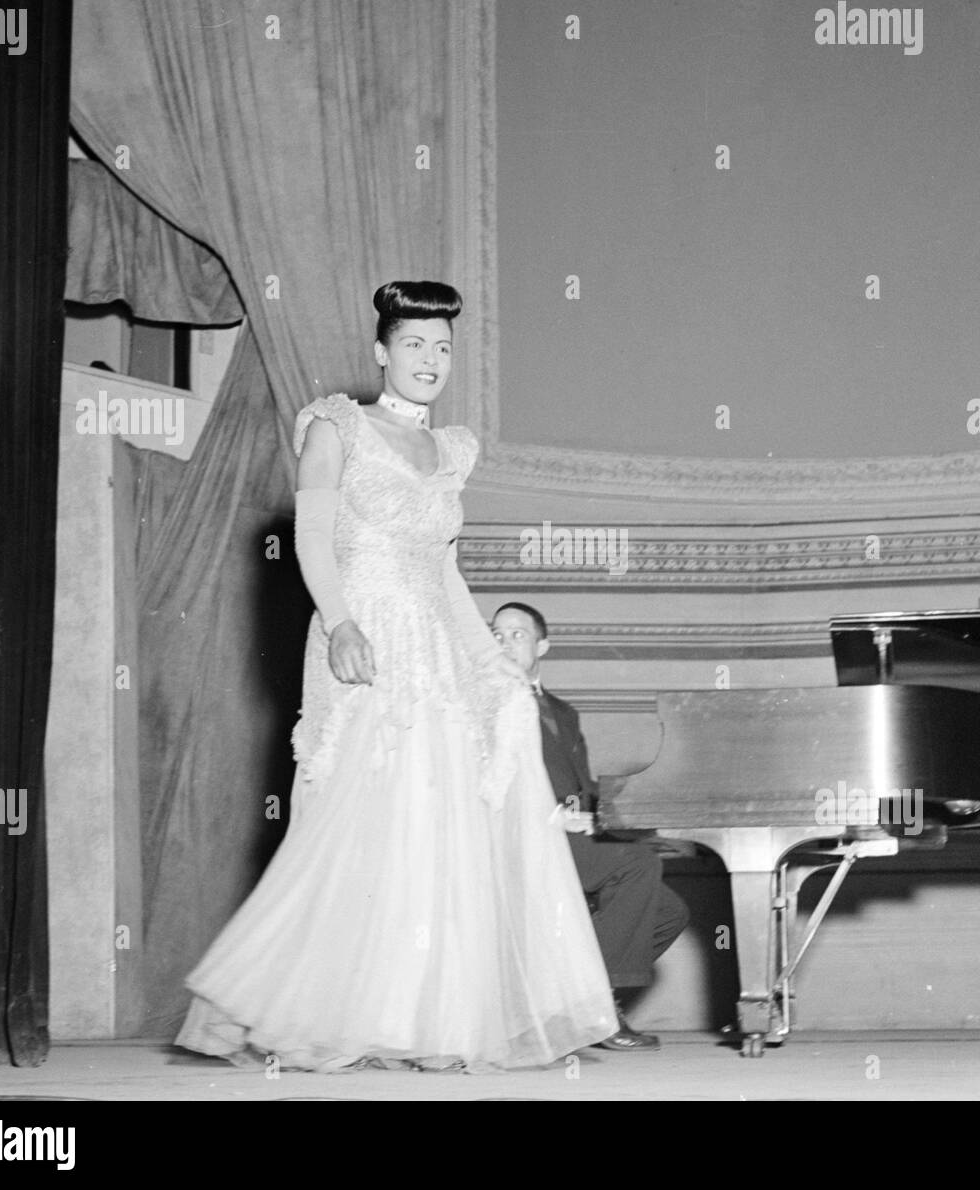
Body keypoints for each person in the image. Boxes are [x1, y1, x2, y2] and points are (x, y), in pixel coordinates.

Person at [175, 281, 616, 1072]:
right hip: (364, 640)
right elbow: (312, 543)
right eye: (414, 344)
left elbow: (444, 573)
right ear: (382, 352)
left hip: (435, 653)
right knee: (352, 824)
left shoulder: (452, 451)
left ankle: (415, 1021)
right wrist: (342, 623)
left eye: (443, 348)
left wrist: (488, 662)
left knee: (431, 834)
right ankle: (288, 1011)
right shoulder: (336, 428)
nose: (430, 361)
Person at [491, 602, 690, 1050]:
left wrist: (633, 820)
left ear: (544, 645)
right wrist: (550, 815)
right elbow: (482, 779)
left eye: (517, 634)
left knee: (669, 911)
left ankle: (579, 1000)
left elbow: (582, 788)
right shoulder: (487, 705)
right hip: (524, 837)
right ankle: (593, 1010)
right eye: (496, 634)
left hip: (571, 840)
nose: (504, 643)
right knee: (636, 866)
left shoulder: (563, 712)